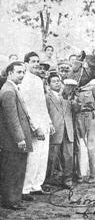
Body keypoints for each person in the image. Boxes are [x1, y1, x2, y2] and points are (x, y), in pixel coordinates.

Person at [20, 52, 54, 199]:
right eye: (32, 61)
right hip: (34, 125)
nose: (36, 64)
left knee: (42, 156)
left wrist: (49, 122)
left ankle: (36, 185)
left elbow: (42, 105)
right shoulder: (24, 81)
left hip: (43, 123)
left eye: (37, 61)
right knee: (33, 157)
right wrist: (35, 127)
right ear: (26, 63)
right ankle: (25, 188)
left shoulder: (38, 80)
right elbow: (27, 108)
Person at [0, 61, 33, 210]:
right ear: (10, 73)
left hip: (14, 140)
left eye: (23, 72)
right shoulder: (8, 91)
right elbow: (11, 118)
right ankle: (11, 201)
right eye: (19, 72)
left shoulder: (12, 88)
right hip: (12, 141)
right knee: (13, 171)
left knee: (17, 170)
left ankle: (14, 199)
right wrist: (20, 138)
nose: (22, 75)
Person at [46, 74, 80, 188]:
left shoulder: (67, 96)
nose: (57, 83)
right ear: (49, 84)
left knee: (69, 156)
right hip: (55, 130)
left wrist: (75, 101)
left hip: (68, 130)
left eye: (58, 81)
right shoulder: (47, 97)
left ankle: (67, 180)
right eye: (53, 81)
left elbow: (76, 110)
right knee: (52, 157)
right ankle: (49, 179)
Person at [74, 84, 95, 183]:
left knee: (92, 146)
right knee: (79, 146)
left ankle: (93, 173)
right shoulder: (73, 86)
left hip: (91, 116)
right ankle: (79, 174)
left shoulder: (92, 87)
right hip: (78, 116)